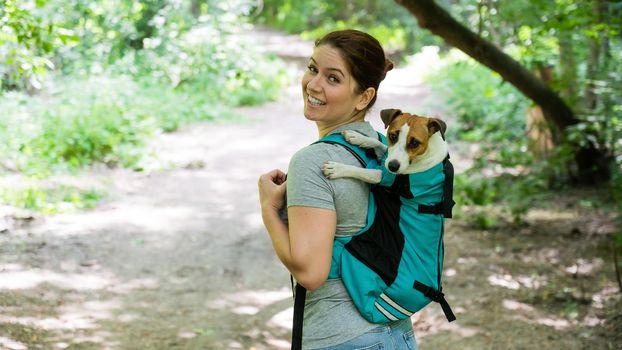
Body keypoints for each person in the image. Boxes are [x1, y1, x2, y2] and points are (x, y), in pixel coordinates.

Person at [258, 29, 417, 349]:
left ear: (364, 97)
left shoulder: (313, 161)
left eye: (333, 78)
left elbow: (311, 272)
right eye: (313, 68)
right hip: (397, 334)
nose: (314, 84)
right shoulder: (382, 153)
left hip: (342, 337)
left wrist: (268, 210)